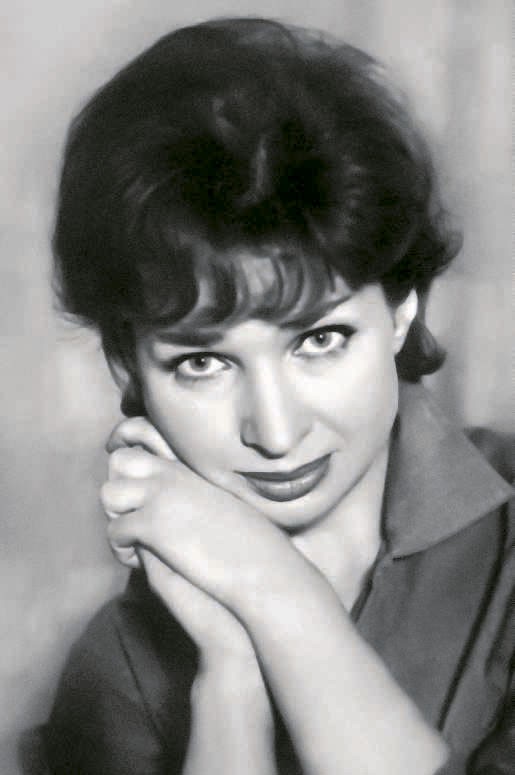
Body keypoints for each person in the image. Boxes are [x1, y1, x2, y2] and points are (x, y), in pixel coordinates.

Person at [40, 17, 513, 775]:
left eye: (319, 339)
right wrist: (230, 677)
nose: (276, 430)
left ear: (401, 307)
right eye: (202, 361)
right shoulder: (120, 670)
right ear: (127, 365)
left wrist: (272, 586)